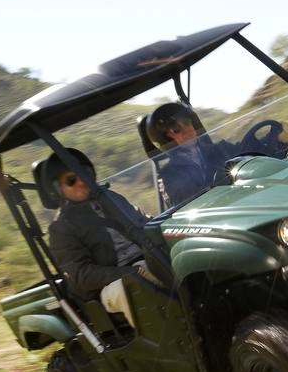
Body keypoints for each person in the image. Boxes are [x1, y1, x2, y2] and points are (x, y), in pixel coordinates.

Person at [43, 149, 157, 328]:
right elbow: (82, 275)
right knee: (128, 289)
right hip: (110, 284)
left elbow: (144, 222)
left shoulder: (112, 198)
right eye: (71, 180)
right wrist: (130, 272)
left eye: (83, 174)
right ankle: (164, 335)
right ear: (58, 188)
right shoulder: (61, 228)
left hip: (146, 261)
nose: (80, 181)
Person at [148, 102, 225, 207]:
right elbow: (184, 209)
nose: (186, 130)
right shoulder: (169, 176)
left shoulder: (220, 149)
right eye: (177, 129)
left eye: (187, 123)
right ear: (167, 139)